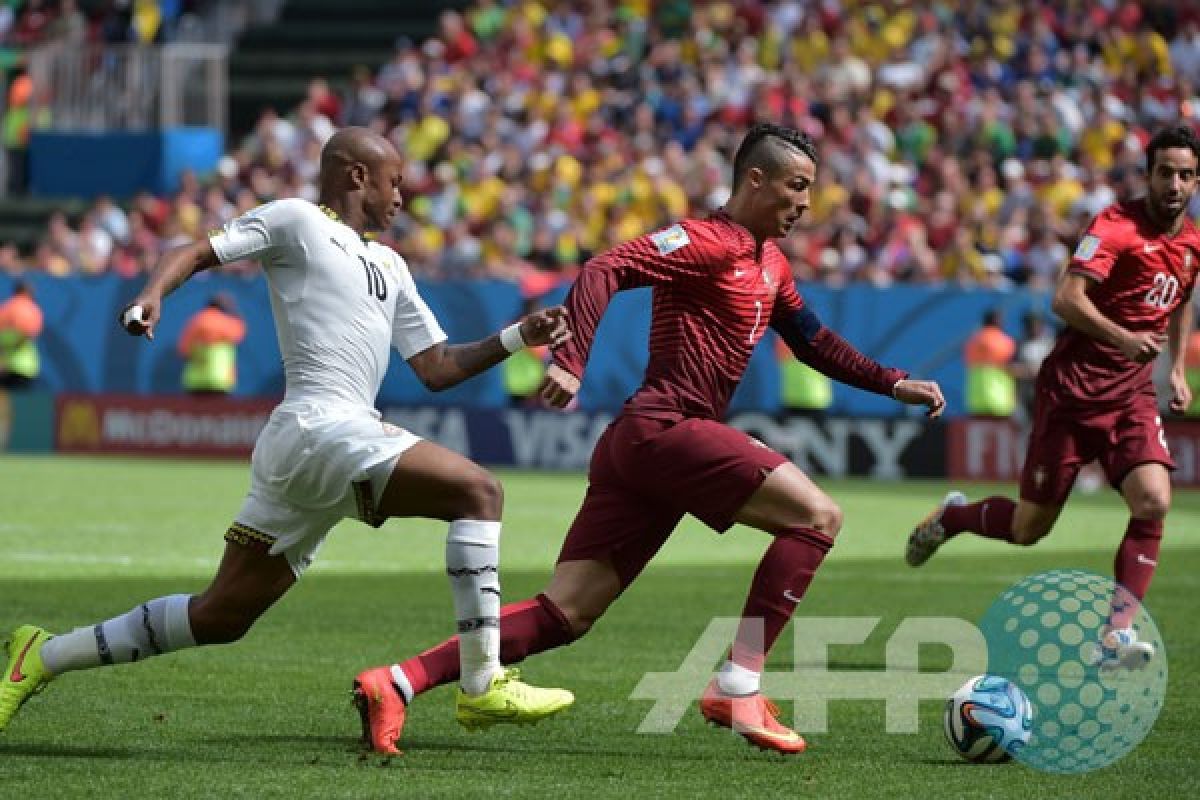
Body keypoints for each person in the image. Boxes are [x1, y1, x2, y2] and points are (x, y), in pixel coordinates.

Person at [353, 122, 946, 756]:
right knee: (817, 517)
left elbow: (813, 342)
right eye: (797, 186)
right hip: (666, 429)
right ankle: (739, 683)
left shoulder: (770, 263)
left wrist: (892, 382)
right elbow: (607, 266)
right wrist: (573, 358)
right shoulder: (705, 241)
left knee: (566, 614)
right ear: (755, 179)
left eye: (810, 189)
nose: (805, 202)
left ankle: (398, 682)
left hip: (644, 447)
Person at [0, 128, 575, 749]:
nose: (402, 196)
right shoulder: (297, 220)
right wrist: (150, 297)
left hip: (317, 443)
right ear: (358, 177)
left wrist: (517, 337)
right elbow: (196, 251)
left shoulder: (390, 263)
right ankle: (482, 679)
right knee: (479, 493)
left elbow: (437, 368)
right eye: (395, 182)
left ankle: (41, 655)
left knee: (219, 616)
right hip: (322, 424)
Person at [905, 124, 1200, 669]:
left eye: (1185, 174)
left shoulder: (1191, 244)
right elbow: (1066, 298)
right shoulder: (1115, 226)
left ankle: (1114, 636)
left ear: (1196, 178)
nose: (1175, 184)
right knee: (1027, 529)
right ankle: (953, 519)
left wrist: (1175, 368)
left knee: (1155, 498)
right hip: (1071, 393)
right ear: (1148, 175)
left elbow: (1180, 297)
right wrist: (1125, 338)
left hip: (1130, 396)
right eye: (1165, 173)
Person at [178, 292, 246, 395]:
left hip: (195, 381)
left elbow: (184, 349)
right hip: (221, 380)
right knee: (219, 410)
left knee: (197, 411)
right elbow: (239, 334)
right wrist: (234, 310)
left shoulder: (196, 321)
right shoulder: (228, 322)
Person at [962, 308, 1017, 418]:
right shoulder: (1003, 341)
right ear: (997, 321)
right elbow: (1010, 365)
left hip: (976, 398)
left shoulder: (973, 340)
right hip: (999, 398)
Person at [0, 280, 43, 389]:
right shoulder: (29, 308)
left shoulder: (5, 307)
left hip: (7, 366)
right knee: (19, 403)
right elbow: (28, 333)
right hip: (23, 366)